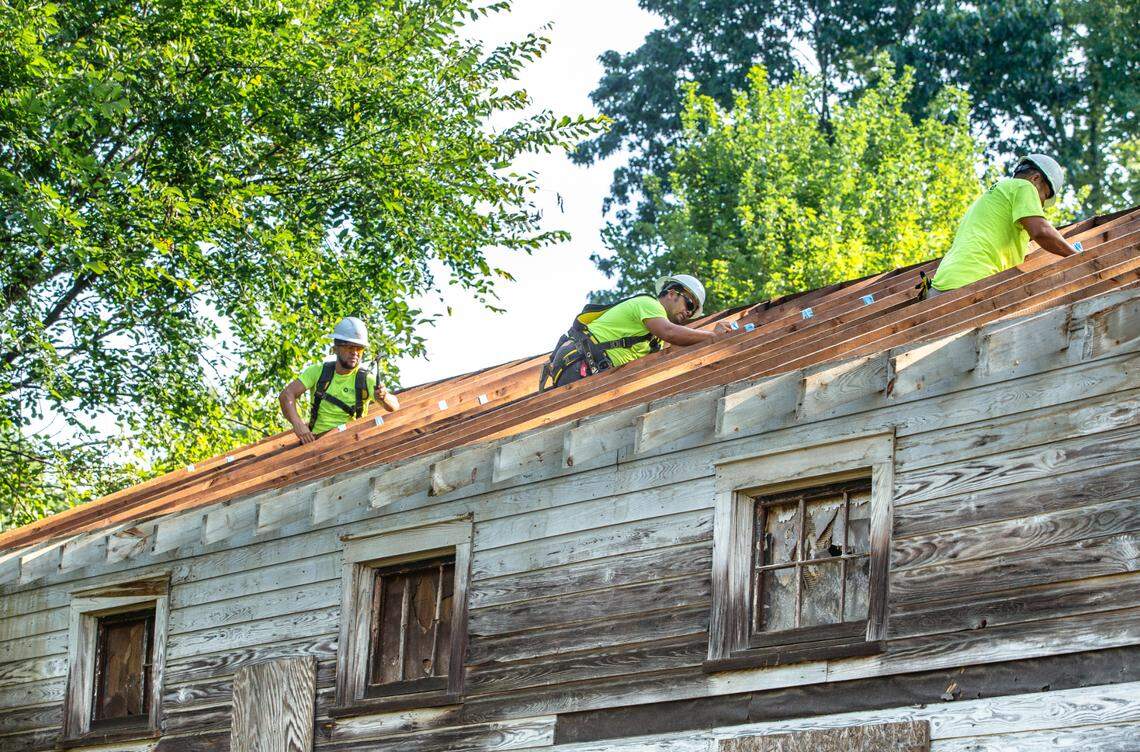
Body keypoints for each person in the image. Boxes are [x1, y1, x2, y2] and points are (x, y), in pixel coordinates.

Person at [927, 154, 1080, 298]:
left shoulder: (997, 193)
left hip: (941, 284)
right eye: (1044, 196)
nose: (1041, 205)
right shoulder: (1024, 187)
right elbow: (1041, 231)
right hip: (973, 281)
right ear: (1035, 178)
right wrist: (1076, 256)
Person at [541, 274, 731, 389]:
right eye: (689, 303)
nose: (688, 312)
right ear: (672, 293)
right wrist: (714, 336)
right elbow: (671, 332)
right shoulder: (649, 305)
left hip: (588, 371)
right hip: (579, 366)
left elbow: (675, 346)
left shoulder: (654, 340)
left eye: (693, 311)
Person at [279, 317, 399, 444]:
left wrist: (384, 397)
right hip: (317, 442)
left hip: (351, 442)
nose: (355, 353)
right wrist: (298, 425)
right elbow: (287, 395)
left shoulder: (365, 379)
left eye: (359, 348)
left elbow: (395, 406)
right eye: (349, 347)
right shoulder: (318, 372)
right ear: (335, 348)